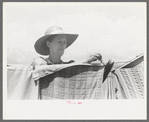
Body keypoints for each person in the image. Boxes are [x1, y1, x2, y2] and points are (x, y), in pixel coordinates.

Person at [33, 26, 102, 69]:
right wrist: (84, 61)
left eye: (65, 42)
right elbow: (47, 70)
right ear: (48, 44)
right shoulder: (39, 62)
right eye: (59, 41)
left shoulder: (68, 65)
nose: (63, 45)